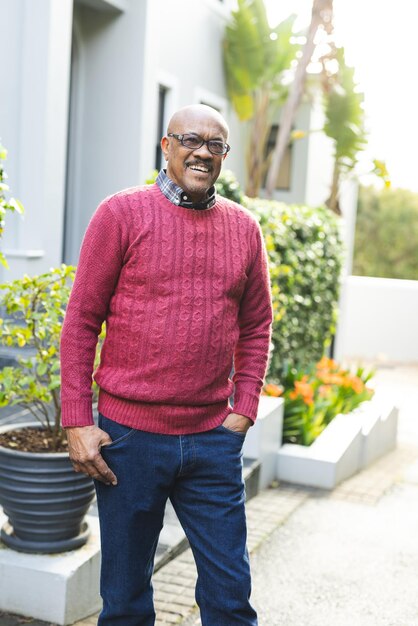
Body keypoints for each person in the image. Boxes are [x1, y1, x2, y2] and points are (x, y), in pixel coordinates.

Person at [60, 104, 273, 626]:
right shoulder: (120, 214)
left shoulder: (244, 229)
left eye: (216, 145)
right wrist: (77, 420)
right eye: (190, 140)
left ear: (223, 157)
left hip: (211, 440)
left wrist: (243, 407)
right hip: (128, 441)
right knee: (126, 600)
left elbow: (257, 325)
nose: (203, 152)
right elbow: (82, 319)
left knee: (230, 599)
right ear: (166, 145)